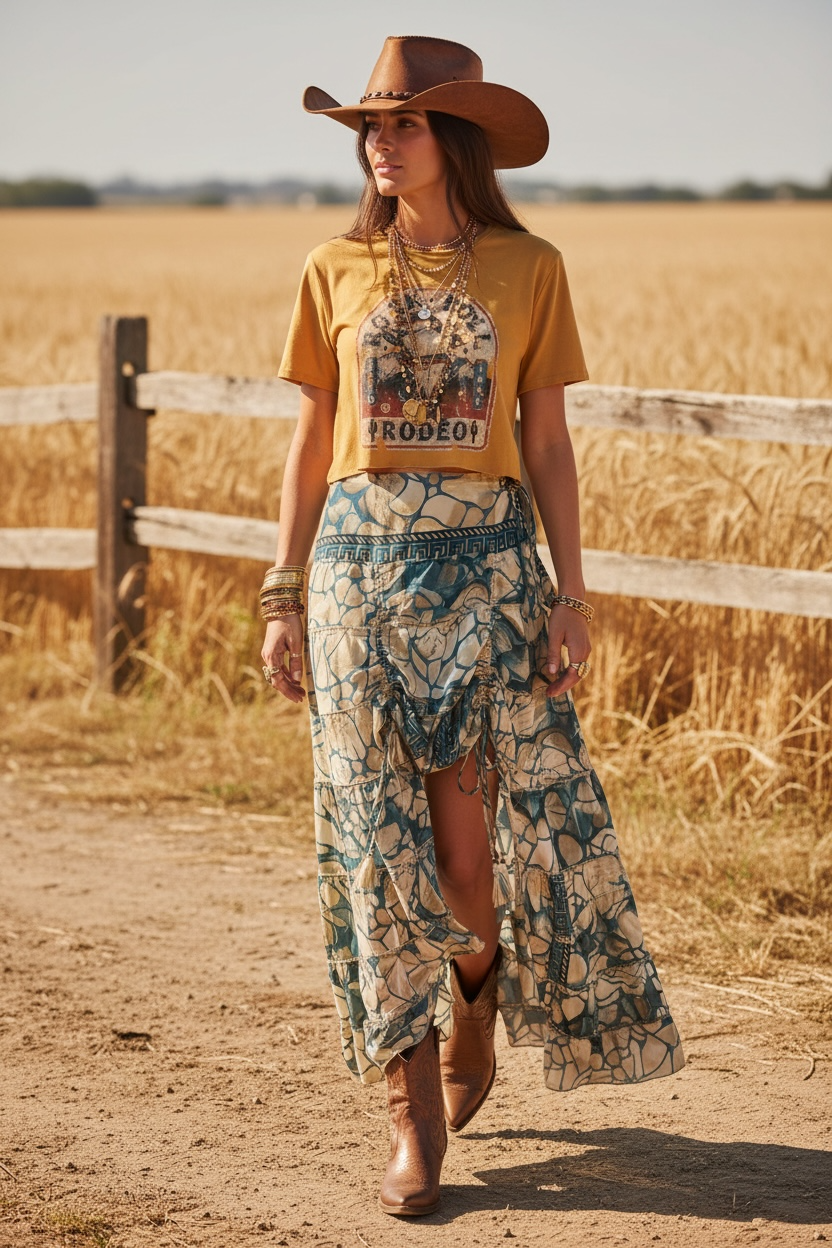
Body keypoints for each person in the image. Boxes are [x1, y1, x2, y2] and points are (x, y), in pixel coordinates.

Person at [260, 35, 683, 1218]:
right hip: (356, 585)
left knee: (462, 860)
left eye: (400, 123)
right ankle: (412, 1119)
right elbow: (311, 440)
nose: (378, 143)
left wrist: (570, 594)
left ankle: (476, 1008)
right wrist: (282, 591)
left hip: (489, 584)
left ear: (453, 138)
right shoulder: (332, 269)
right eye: (369, 126)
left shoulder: (529, 266)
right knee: (376, 851)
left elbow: (545, 442)